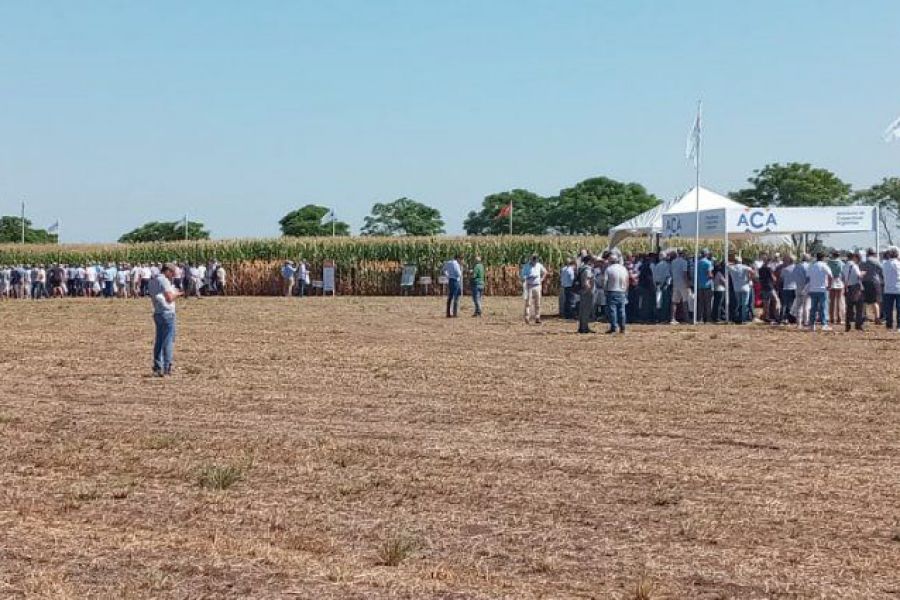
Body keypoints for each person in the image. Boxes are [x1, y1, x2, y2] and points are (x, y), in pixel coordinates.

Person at [149, 263, 182, 376]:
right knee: (168, 341)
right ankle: (167, 367)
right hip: (167, 313)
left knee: (159, 340)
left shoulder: (153, 280)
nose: (172, 275)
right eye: (172, 273)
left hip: (157, 312)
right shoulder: (164, 281)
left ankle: (158, 367)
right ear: (167, 271)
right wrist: (177, 294)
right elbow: (169, 298)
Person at [602, 251, 629, 334]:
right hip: (622, 291)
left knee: (612, 310)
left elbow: (605, 281)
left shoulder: (609, 269)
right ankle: (623, 327)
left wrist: (605, 290)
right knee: (622, 310)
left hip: (611, 291)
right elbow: (626, 280)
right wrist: (625, 290)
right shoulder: (623, 268)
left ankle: (614, 327)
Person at [806, 252, 833, 331]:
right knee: (823, 307)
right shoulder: (824, 265)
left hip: (813, 289)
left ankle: (812, 324)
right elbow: (830, 276)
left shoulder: (811, 266)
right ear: (823, 257)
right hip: (822, 289)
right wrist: (829, 285)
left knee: (813, 308)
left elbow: (807, 278)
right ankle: (824, 324)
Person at [728, 255, 755, 324]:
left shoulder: (732, 267)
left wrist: (732, 263)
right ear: (741, 261)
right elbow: (753, 272)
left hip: (736, 288)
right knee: (745, 304)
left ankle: (738, 318)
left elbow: (727, 264)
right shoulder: (745, 267)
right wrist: (749, 279)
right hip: (745, 287)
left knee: (738, 304)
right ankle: (744, 319)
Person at [521, 254, 547, 325]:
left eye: (536, 259)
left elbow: (545, 272)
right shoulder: (526, 266)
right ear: (531, 259)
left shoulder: (539, 265)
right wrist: (528, 276)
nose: (535, 261)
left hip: (537, 286)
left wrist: (541, 279)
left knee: (538, 303)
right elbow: (522, 276)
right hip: (529, 286)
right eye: (533, 259)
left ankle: (537, 318)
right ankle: (527, 318)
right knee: (528, 303)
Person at [842, 251, 865, 331]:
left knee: (849, 307)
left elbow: (843, 277)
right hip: (856, 287)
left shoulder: (845, 266)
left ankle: (847, 325)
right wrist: (863, 273)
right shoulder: (854, 266)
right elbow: (859, 276)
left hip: (848, 287)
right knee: (859, 307)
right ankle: (858, 324)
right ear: (854, 257)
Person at [861, 248, 883, 326]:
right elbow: (881, 270)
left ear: (867, 253)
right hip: (874, 282)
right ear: (874, 253)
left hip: (864, 282)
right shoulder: (876, 261)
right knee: (875, 301)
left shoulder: (863, 261)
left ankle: (863, 317)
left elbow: (860, 271)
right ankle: (877, 318)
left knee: (864, 301)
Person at [881, 246, 900, 331]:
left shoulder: (884, 264)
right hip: (898, 288)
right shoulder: (898, 264)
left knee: (889, 309)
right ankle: (899, 326)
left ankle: (889, 326)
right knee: (899, 309)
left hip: (887, 289)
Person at [575, 255, 595, 334]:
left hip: (583, 291)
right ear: (589, 261)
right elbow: (586, 281)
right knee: (585, 310)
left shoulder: (581, 268)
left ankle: (583, 326)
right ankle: (584, 328)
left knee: (582, 310)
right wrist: (589, 290)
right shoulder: (587, 270)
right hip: (586, 292)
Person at [669, 250, 690, 324]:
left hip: (675, 283)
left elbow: (671, 272)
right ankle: (687, 318)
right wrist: (687, 284)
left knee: (674, 301)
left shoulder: (673, 262)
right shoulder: (684, 262)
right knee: (685, 301)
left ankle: (672, 318)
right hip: (682, 283)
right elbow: (685, 274)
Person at [776, 255, 797, 324]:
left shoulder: (785, 269)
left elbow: (781, 279)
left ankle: (782, 318)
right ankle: (790, 318)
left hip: (785, 288)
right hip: (794, 288)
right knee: (792, 304)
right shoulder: (797, 268)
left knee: (784, 304)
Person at [827, 251, 845, 327]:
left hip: (831, 281)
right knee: (839, 300)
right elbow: (843, 273)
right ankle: (839, 318)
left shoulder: (829, 263)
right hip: (839, 281)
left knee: (832, 301)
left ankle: (831, 318)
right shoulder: (841, 263)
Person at [695, 250, 714, 323]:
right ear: (707, 254)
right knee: (708, 303)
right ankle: (708, 319)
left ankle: (700, 318)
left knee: (700, 303)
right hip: (707, 285)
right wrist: (713, 277)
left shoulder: (698, 262)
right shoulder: (708, 263)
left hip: (699, 285)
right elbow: (709, 274)